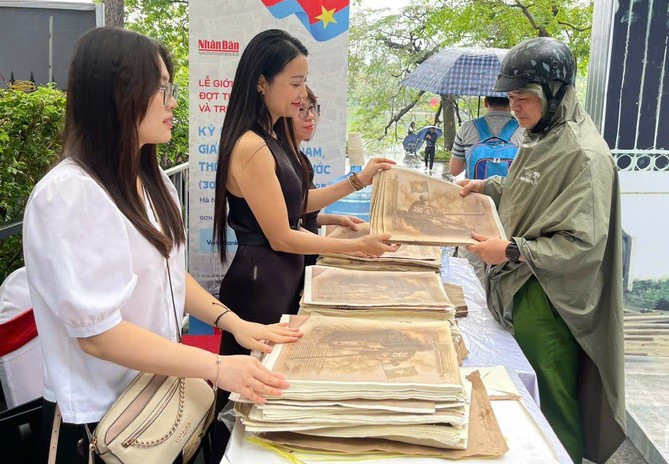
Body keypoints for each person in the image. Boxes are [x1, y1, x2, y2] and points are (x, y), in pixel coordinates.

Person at [23, 27, 300, 464]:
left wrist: (234, 323)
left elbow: (170, 276)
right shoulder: (70, 194)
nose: (173, 102)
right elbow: (99, 335)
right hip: (104, 424)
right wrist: (215, 367)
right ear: (118, 93)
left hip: (162, 399)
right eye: (163, 88)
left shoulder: (152, 182)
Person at [460, 37, 625, 464]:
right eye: (511, 98)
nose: (516, 107)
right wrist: (483, 187)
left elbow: (582, 244)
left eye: (524, 98)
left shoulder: (584, 155)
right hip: (523, 283)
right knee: (529, 397)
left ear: (555, 94)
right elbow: (525, 193)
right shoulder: (540, 137)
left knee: (551, 402)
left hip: (550, 294)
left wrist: (512, 251)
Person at [212, 28, 396, 360]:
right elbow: (282, 235)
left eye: (304, 83)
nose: (302, 95)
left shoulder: (272, 137)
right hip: (260, 284)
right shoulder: (251, 146)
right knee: (248, 390)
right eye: (295, 84)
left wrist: (358, 180)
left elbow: (295, 206)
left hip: (278, 276)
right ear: (261, 82)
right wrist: (354, 247)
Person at [294, 86, 365, 267]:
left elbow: (299, 216)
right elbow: (287, 228)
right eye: (301, 109)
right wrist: (348, 247)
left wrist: (335, 219)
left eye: (312, 108)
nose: (310, 116)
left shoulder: (301, 158)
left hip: (304, 261)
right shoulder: (279, 159)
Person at [448, 96, 523, 177]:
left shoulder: (467, 128)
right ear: (511, 103)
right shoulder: (524, 129)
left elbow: (454, 171)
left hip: (474, 189)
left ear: (485, 102)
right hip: (511, 189)